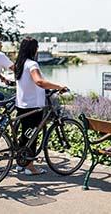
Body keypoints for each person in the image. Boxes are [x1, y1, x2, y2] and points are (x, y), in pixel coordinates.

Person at [14, 36, 67, 176]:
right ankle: (30, 167)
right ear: (34, 49)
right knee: (33, 136)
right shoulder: (32, 64)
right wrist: (58, 86)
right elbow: (39, 82)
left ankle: (21, 163)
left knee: (25, 135)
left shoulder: (20, 63)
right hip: (33, 106)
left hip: (21, 104)